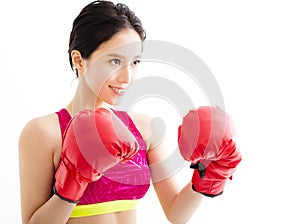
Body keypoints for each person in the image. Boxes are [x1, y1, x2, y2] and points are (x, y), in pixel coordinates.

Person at [19, 1, 241, 224]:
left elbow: (176, 213)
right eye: (115, 61)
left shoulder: (144, 129)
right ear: (79, 60)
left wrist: (215, 171)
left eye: (135, 62)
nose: (127, 77)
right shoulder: (45, 132)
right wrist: (71, 183)